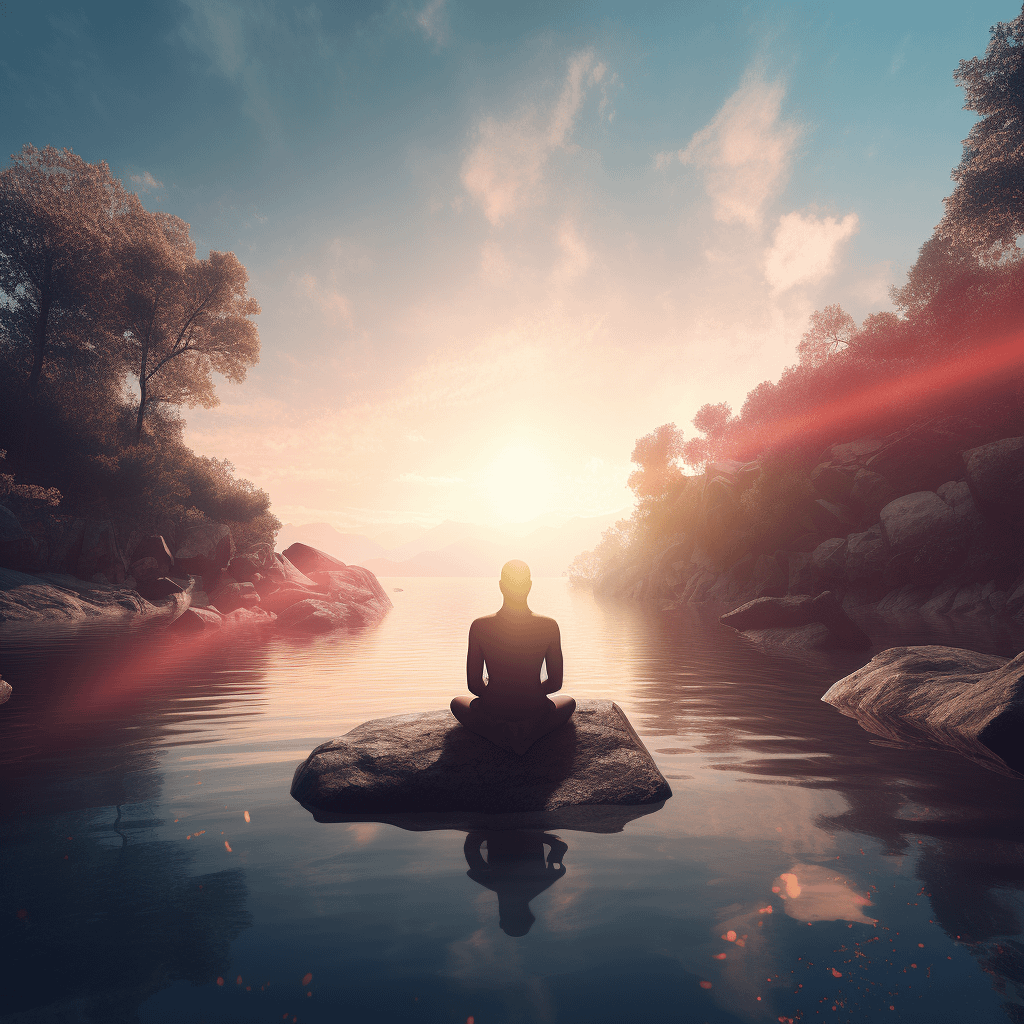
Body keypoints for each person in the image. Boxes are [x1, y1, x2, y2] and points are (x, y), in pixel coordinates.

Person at [450, 560, 576, 755]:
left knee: (458, 702)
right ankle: (530, 732)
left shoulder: (479, 626)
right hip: (533, 708)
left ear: (501, 586)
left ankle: (497, 733)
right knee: (568, 702)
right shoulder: (549, 625)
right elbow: (555, 683)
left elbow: (474, 685)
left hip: (493, 708)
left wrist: (496, 693)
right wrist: (529, 692)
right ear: (530, 585)